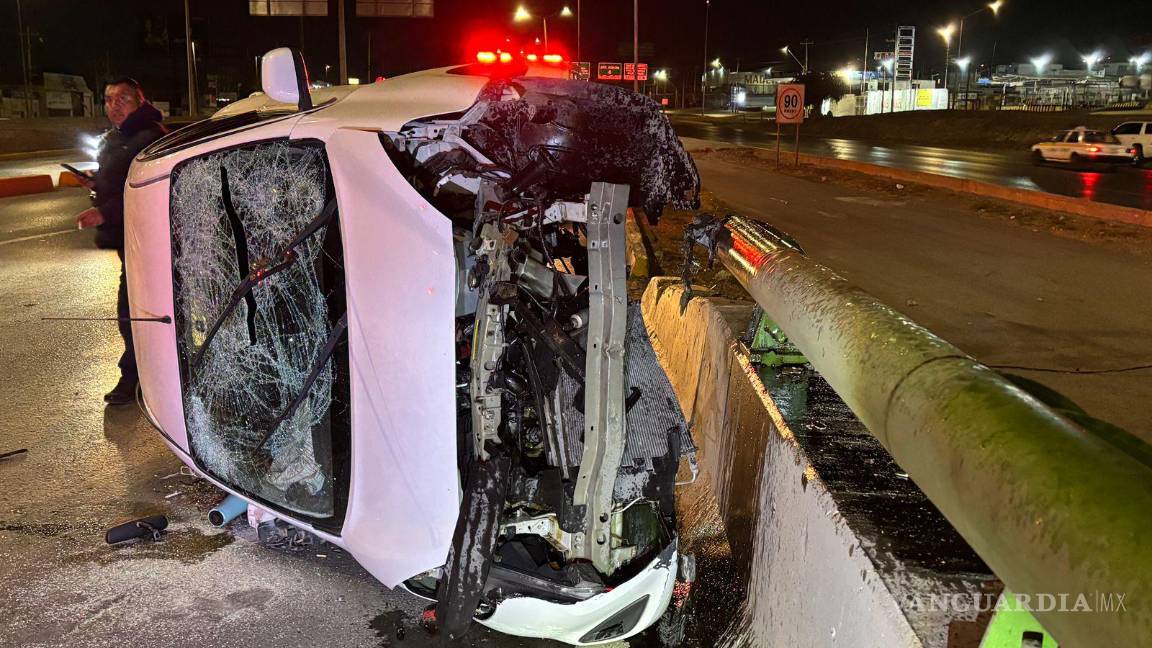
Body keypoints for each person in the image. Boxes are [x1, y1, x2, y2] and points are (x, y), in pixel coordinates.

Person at [76, 77, 167, 404]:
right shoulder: (117, 138)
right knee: (135, 312)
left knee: (134, 313)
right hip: (127, 240)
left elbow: (147, 192)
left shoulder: (150, 138)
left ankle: (136, 378)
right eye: (108, 98)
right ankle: (143, 374)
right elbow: (116, 182)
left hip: (147, 240)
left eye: (122, 98)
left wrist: (105, 213)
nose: (114, 105)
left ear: (140, 100)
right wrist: (94, 182)